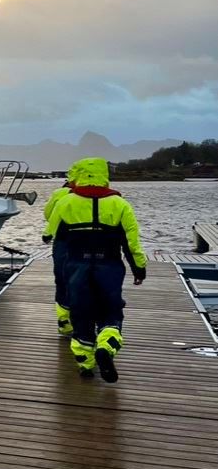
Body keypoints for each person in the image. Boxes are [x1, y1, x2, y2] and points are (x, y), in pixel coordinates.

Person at [43, 157, 146, 383]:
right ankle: (106, 347)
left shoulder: (66, 202)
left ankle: (85, 364)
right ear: (105, 175)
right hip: (109, 266)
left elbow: (48, 233)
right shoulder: (120, 204)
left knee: (81, 314)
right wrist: (139, 268)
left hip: (77, 266)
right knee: (111, 310)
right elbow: (132, 242)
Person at [42, 163, 79, 337]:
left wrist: (49, 233)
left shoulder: (59, 194)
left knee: (62, 280)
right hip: (90, 244)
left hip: (63, 241)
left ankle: (65, 322)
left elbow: (48, 214)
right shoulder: (101, 196)